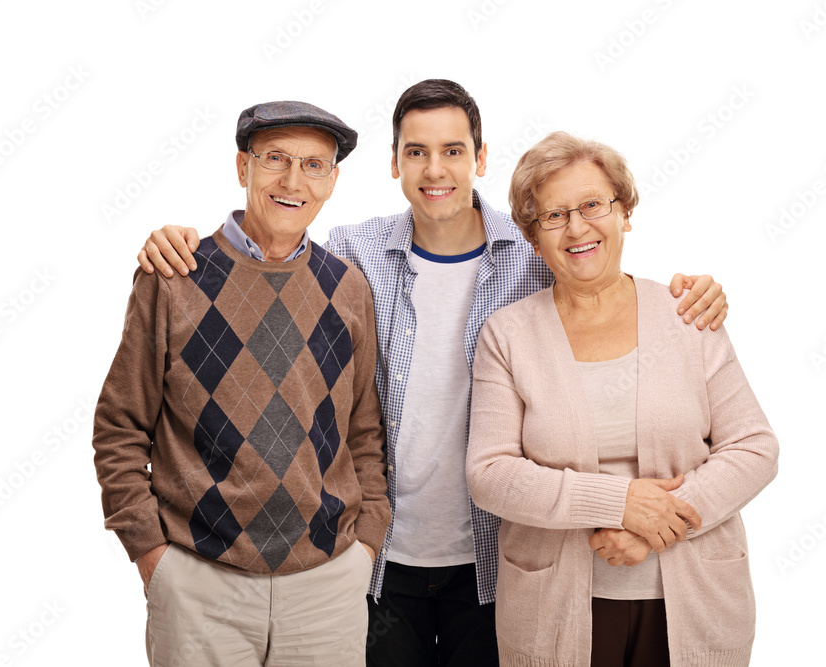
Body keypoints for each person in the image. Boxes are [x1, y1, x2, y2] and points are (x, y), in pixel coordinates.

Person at [134, 80, 730, 666]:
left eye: (453, 151)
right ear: (394, 164)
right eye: (416, 152)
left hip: (500, 561)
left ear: (481, 158)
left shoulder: (536, 253)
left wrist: (690, 293)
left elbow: (602, 282)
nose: (435, 169)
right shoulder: (352, 255)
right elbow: (271, 247)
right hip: (379, 562)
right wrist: (181, 241)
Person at [92, 100, 390, 666]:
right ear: (242, 167)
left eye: (314, 165)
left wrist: (366, 547)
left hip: (327, 584)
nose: (293, 180)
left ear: (332, 181)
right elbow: (120, 426)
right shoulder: (175, 276)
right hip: (200, 582)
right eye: (275, 158)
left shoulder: (347, 288)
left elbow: (364, 434)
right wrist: (152, 556)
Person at [465, 131, 779, 666]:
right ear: (531, 236)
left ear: (624, 213)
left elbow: (754, 448)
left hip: (694, 599)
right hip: (556, 607)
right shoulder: (508, 335)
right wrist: (618, 504)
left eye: (593, 205)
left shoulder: (688, 315)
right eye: (554, 215)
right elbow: (490, 474)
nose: (577, 227)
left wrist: (659, 527)